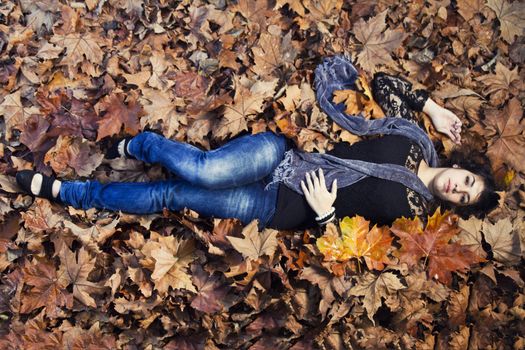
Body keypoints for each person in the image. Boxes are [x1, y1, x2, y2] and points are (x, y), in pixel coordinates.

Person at [15, 57, 499, 230]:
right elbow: (384, 86)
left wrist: (326, 212)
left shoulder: (415, 218)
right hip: (287, 154)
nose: (459, 186)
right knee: (202, 170)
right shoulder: (415, 140)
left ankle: (70, 193)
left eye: (464, 196)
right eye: (469, 180)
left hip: (283, 207)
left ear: (455, 203)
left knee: (173, 196)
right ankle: (141, 147)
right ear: (466, 167)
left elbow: (352, 250)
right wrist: (432, 108)